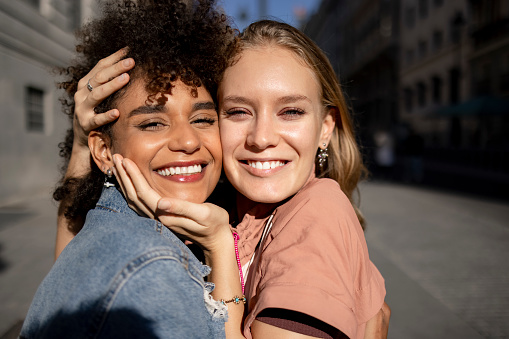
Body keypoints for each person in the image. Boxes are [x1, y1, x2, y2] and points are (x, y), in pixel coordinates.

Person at [58, 19, 390, 339]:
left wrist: (219, 248)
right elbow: (74, 280)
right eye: (238, 111)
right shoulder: (228, 210)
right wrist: (80, 142)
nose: (261, 138)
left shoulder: (317, 212)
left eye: (291, 112)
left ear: (326, 127)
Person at [20, 1, 236, 337]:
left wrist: (81, 145)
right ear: (103, 151)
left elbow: (65, 256)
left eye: (203, 119)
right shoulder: (154, 267)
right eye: (152, 124)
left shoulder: (102, 236)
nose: (188, 141)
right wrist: (221, 247)